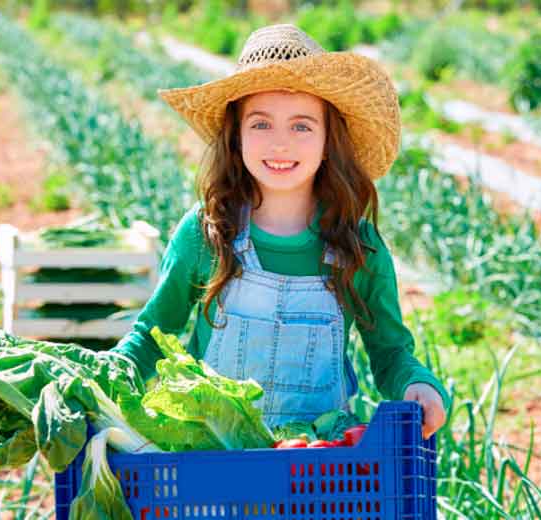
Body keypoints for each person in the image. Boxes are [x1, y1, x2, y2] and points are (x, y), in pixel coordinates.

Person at [111, 24, 448, 439]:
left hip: (316, 464)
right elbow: (150, 335)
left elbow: (390, 351)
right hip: (212, 457)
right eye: (261, 124)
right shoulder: (207, 233)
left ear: (329, 139)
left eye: (302, 126)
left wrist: (418, 384)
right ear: (236, 136)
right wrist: (107, 379)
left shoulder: (356, 246)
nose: (281, 144)